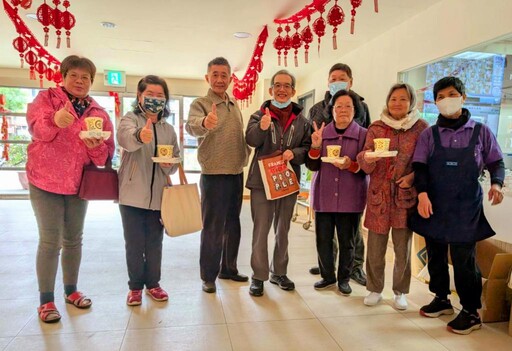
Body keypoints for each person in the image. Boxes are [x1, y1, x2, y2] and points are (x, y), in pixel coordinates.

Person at [409, 76, 505, 335]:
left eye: (451, 94)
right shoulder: (429, 134)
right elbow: (420, 166)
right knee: (436, 254)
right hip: (434, 203)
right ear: (436, 102)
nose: (446, 100)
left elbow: (496, 162)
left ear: (462, 97)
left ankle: (471, 311)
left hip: (466, 206)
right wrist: (423, 194)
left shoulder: (481, 131)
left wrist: (497, 184)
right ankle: (441, 298)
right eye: (440, 97)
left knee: (464, 259)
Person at [26, 55, 115, 323]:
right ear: (63, 76)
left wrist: (95, 145)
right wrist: (55, 119)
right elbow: (37, 130)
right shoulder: (47, 100)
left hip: (79, 184)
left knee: (74, 239)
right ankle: (46, 300)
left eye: (85, 77)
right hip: (45, 180)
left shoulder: (97, 112)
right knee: (50, 240)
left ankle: (71, 291)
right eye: (74, 75)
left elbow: (103, 158)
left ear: (91, 81)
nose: (79, 81)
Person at [357, 83, 428, 309]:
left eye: (403, 99)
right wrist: (367, 158)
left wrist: (413, 178)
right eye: (393, 99)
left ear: (411, 103)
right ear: (387, 101)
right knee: (375, 247)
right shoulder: (376, 127)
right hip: (379, 196)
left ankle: (400, 292)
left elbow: (427, 162)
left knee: (402, 247)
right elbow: (364, 160)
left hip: (404, 196)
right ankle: (374, 288)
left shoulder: (421, 128)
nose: (397, 103)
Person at [185, 57, 250, 293]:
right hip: (213, 174)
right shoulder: (202, 103)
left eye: (224, 75)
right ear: (207, 78)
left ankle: (229, 268)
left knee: (233, 224)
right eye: (215, 74)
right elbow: (191, 126)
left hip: (235, 172)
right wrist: (205, 121)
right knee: (213, 227)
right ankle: (208, 276)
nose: (220, 79)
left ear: (230, 78)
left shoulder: (233, 104)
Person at [245, 70, 311, 297]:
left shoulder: (302, 121)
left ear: (293, 91)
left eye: (287, 86)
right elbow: (251, 141)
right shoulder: (258, 114)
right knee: (261, 230)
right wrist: (262, 127)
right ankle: (259, 276)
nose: (282, 90)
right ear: (271, 89)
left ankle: (279, 272)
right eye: (277, 85)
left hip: (287, 182)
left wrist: (295, 153)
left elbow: (307, 148)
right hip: (261, 182)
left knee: (283, 229)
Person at [117, 75, 180, 306]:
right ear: (139, 96)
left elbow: (175, 160)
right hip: (132, 194)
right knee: (134, 243)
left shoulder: (168, 128)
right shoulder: (130, 119)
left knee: (154, 242)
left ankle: (153, 284)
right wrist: (139, 136)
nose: (155, 100)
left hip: (159, 197)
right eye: (150, 95)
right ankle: (135, 287)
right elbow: (125, 139)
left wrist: (169, 164)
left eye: (160, 96)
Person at [307, 63, 370, 286]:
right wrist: (315, 146)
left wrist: (352, 165)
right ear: (331, 111)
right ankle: (327, 276)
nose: (342, 110)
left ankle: (345, 277)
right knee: (323, 239)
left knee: (348, 241)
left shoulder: (364, 134)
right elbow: (312, 164)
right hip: (324, 193)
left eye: (347, 107)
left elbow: (367, 164)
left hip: (351, 194)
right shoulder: (322, 132)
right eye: (338, 107)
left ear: (355, 110)